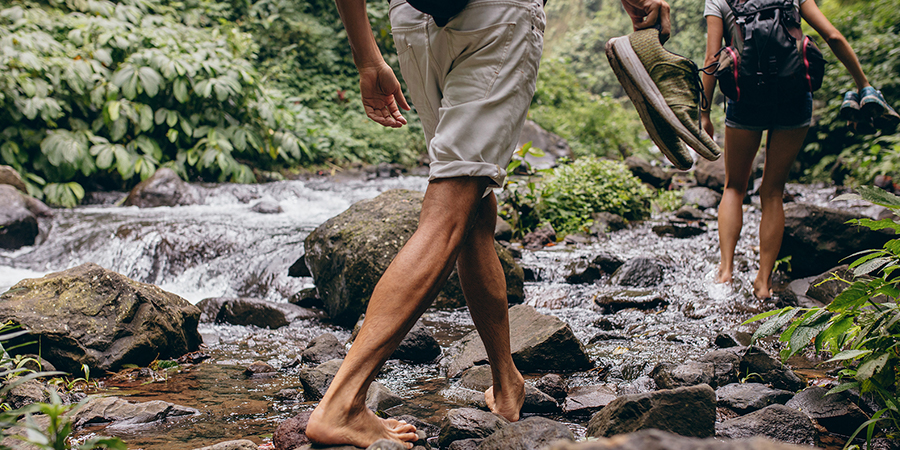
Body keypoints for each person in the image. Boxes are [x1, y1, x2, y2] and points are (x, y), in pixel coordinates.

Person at [303, 0, 671, 448]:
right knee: (448, 211)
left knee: (473, 204)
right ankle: (343, 402)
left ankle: (505, 378)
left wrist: (367, 57)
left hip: (414, 20)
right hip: (495, 17)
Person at [702, 0, 873, 299]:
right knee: (772, 192)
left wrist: (703, 113)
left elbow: (711, 57)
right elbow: (833, 36)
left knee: (734, 188)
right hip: (794, 98)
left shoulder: (719, 1)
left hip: (745, 100)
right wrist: (864, 85)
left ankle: (725, 273)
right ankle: (764, 283)